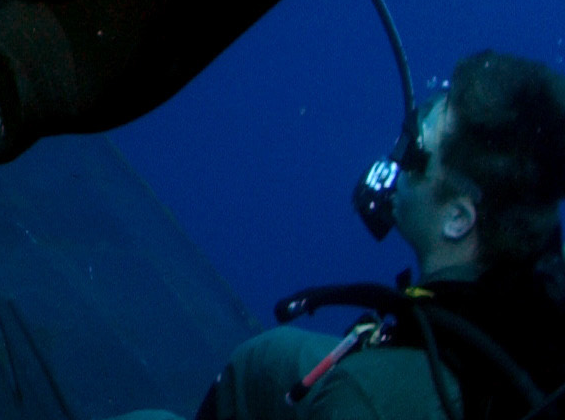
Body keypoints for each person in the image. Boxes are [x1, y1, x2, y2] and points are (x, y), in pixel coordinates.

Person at [192, 52, 565, 420]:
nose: (397, 160)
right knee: (263, 365)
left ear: (457, 219)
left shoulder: (365, 397)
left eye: (416, 154)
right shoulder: (537, 258)